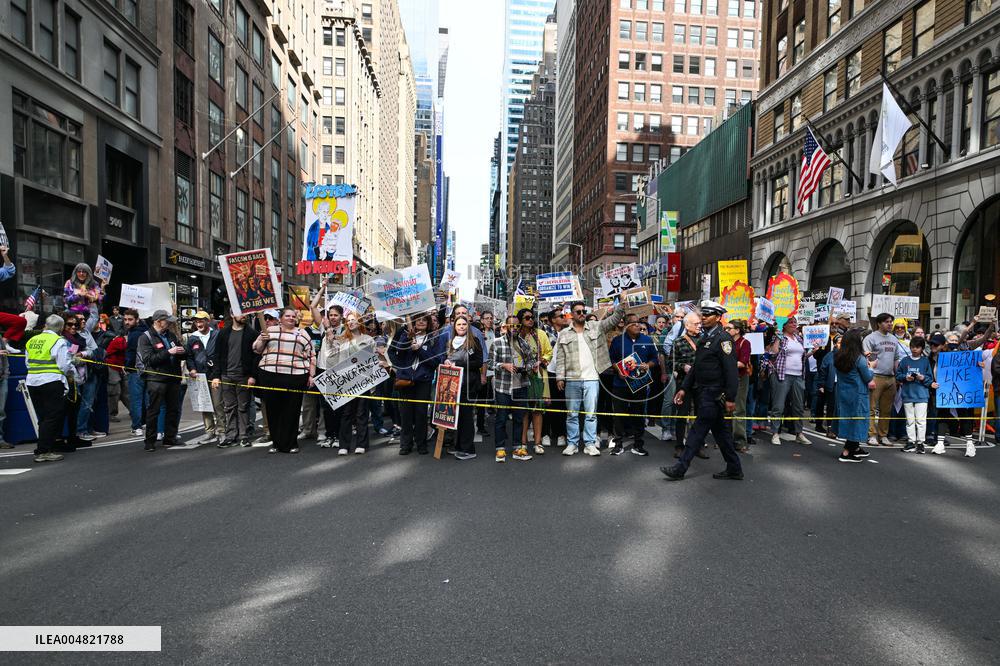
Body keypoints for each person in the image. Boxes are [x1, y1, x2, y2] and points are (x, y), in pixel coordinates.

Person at [661, 301, 743, 481]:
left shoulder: (723, 339)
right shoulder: (705, 338)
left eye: (708, 314)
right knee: (722, 435)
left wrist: (730, 397)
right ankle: (734, 468)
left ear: (718, 317)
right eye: (702, 314)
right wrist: (683, 389)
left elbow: (730, 370)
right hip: (703, 391)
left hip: (713, 394)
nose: (704, 317)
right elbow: (696, 367)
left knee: (697, 431)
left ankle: (680, 468)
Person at [553, 301, 626, 456]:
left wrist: (622, 303)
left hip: (592, 378)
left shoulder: (595, 326)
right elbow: (560, 358)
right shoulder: (564, 334)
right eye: (578, 311)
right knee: (572, 413)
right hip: (572, 378)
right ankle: (572, 443)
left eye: (583, 311)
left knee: (591, 414)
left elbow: (614, 319)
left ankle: (590, 444)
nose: (581, 313)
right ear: (571, 314)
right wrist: (560, 377)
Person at [253, 307, 315, 454]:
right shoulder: (270, 330)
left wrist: (311, 375)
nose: (291, 318)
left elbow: (311, 355)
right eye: (287, 316)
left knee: (292, 410)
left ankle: (291, 442)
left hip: (296, 376)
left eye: (293, 316)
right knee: (273, 410)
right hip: (270, 374)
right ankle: (276, 442)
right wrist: (262, 339)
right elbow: (256, 349)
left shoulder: (303, 333)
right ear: (280, 318)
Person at [25, 314, 75, 463]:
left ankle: (44, 446)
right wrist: (72, 374)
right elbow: (64, 365)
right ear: (60, 328)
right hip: (51, 381)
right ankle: (44, 451)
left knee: (44, 417)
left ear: (46, 325)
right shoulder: (59, 341)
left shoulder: (32, 340)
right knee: (53, 416)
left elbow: (27, 362)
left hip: (32, 382)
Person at [323, 311, 374, 455]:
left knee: (361, 413)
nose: (351, 322)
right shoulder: (342, 339)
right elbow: (331, 354)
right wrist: (329, 336)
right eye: (349, 320)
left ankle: (361, 444)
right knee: (346, 413)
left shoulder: (368, 339)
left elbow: (374, 359)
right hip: (346, 380)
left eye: (354, 320)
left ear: (359, 322)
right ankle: (344, 445)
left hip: (363, 380)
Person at [389, 313, 440, 455]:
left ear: (428, 323)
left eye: (424, 320)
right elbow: (398, 353)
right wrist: (407, 337)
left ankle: (421, 444)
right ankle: (405, 444)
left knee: (421, 414)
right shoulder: (405, 335)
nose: (421, 322)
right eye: (418, 320)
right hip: (406, 380)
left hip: (423, 381)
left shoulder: (433, 339)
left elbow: (435, 362)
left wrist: (420, 350)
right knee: (405, 414)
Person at [607, 313, 658, 456]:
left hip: (639, 384)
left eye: (639, 322)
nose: (638, 325)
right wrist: (618, 371)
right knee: (619, 415)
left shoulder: (647, 340)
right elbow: (611, 359)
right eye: (634, 323)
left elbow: (655, 359)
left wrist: (648, 365)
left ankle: (638, 444)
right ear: (627, 325)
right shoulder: (617, 341)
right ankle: (618, 444)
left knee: (638, 414)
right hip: (620, 384)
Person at [136, 310, 187, 451]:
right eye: (167, 321)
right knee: (154, 410)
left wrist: (182, 351)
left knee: (173, 409)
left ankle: (169, 438)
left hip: (173, 378)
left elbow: (179, 352)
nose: (170, 323)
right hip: (156, 379)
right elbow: (149, 360)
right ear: (158, 321)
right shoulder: (145, 337)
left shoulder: (170, 335)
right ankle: (150, 441)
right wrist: (168, 352)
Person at [211, 313, 259, 448]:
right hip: (226, 376)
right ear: (232, 314)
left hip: (244, 376)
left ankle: (244, 435)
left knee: (243, 407)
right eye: (240, 312)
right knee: (229, 407)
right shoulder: (223, 333)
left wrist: (252, 376)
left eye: (246, 313)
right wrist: (216, 375)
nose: (244, 315)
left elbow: (256, 357)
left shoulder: (252, 334)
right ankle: (231, 435)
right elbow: (217, 355)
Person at [766, 318, 814, 446]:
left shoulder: (799, 339)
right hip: (782, 375)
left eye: (795, 323)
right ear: (785, 325)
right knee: (778, 406)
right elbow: (773, 352)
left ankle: (799, 433)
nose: (794, 325)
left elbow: (802, 357)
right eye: (791, 323)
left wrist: (813, 352)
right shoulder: (780, 338)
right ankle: (775, 433)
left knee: (798, 406)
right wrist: (777, 337)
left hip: (798, 376)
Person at [489, 315, 531, 462]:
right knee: (501, 418)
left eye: (517, 326)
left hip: (521, 386)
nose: (514, 329)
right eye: (511, 326)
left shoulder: (524, 344)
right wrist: (503, 365)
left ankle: (517, 448)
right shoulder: (497, 343)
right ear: (506, 327)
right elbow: (489, 364)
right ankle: (500, 449)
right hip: (503, 387)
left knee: (519, 419)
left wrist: (526, 368)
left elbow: (530, 362)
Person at [442, 314, 483, 460]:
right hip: (453, 385)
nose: (461, 327)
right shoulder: (450, 342)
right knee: (456, 417)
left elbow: (478, 362)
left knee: (466, 417)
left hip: (468, 385)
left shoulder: (474, 341)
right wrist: (446, 362)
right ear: (454, 326)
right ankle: (458, 446)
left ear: (468, 327)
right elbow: (446, 359)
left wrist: (458, 365)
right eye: (458, 324)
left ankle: (468, 449)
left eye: (464, 324)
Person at [863, 313, 907, 446]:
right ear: (879, 323)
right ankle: (871, 435)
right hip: (875, 376)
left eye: (891, 322)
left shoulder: (894, 339)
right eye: (887, 322)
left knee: (886, 409)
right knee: (871, 408)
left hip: (890, 378)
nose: (890, 324)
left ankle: (883, 435)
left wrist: (897, 377)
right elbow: (866, 358)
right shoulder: (870, 338)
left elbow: (896, 359)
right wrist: (869, 377)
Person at [665, 311, 704, 458]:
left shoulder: (705, 340)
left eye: (700, 323)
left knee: (700, 416)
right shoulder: (679, 342)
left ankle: (698, 445)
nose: (699, 325)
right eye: (696, 324)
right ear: (687, 325)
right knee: (682, 415)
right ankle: (679, 445)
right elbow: (671, 363)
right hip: (684, 384)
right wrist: (683, 367)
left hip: (701, 384)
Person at [513, 308, 552, 455]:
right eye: (527, 318)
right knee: (523, 411)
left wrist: (541, 361)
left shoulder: (540, 334)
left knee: (537, 410)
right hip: (521, 377)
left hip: (538, 375)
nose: (531, 320)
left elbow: (549, 352)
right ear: (520, 320)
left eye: (532, 317)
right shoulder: (516, 336)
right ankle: (522, 443)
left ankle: (537, 442)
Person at [834, 329, 875, 462]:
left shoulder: (839, 356)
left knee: (849, 420)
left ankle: (856, 448)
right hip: (858, 394)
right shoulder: (860, 359)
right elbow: (867, 377)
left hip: (844, 393)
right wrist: (872, 366)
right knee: (857, 421)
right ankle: (846, 453)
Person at [184, 311, 223, 444]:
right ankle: (209, 431)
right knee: (205, 404)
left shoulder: (217, 335)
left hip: (215, 374)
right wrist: (192, 368)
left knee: (218, 404)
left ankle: (221, 430)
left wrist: (218, 373)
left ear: (207, 321)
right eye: (196, 321)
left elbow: (221, 355)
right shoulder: (192, 338)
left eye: (201, 321)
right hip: (200, 375)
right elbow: (189, 356)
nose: (198, 324)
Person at [896, 336, 934, 453]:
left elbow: (930, 378)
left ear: (922, 348)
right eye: (912, 347)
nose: (914, 349)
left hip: (922, 394)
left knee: (921, 420)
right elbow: (898, 375)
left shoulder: (925, 361)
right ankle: (911, 441)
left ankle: (920, 442)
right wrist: (905, 377)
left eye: (917, 347)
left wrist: (923, 378)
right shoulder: (905, 361)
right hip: (908, 394)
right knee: (910, 420)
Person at [727, 319, 752, 453]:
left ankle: (739, 440)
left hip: (740, 379)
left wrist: (726, 365)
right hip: (727, 379)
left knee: (739, 409)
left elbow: (743, 362)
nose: (726, 330)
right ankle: (725, 439)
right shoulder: (726, 342)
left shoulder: (745, 343)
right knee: (725, 409)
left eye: (729, 328)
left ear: (737, 330)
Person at [123, 309, 148, 435]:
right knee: (145, 399)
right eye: (125, 319)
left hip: (135, 370)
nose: (127, 322)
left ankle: (136, 426)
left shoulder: (134, 334)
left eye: (130, 319)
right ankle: (144, 422)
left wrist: (127, 367)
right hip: (147, 369)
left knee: (136, 400)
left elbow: (131, 353)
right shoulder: (146, 330)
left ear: (137, 320)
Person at [815, 334, 841, 439]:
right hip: (832, 384)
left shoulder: (847, 356)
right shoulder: (829, 356)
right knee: (831, 407)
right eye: (839, 342)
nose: (842, 344)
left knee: (840, 408)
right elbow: (823, 370)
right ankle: (830, 429)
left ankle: (838, 429)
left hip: (843, 385)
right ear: (835, 344)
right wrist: (821, 384)